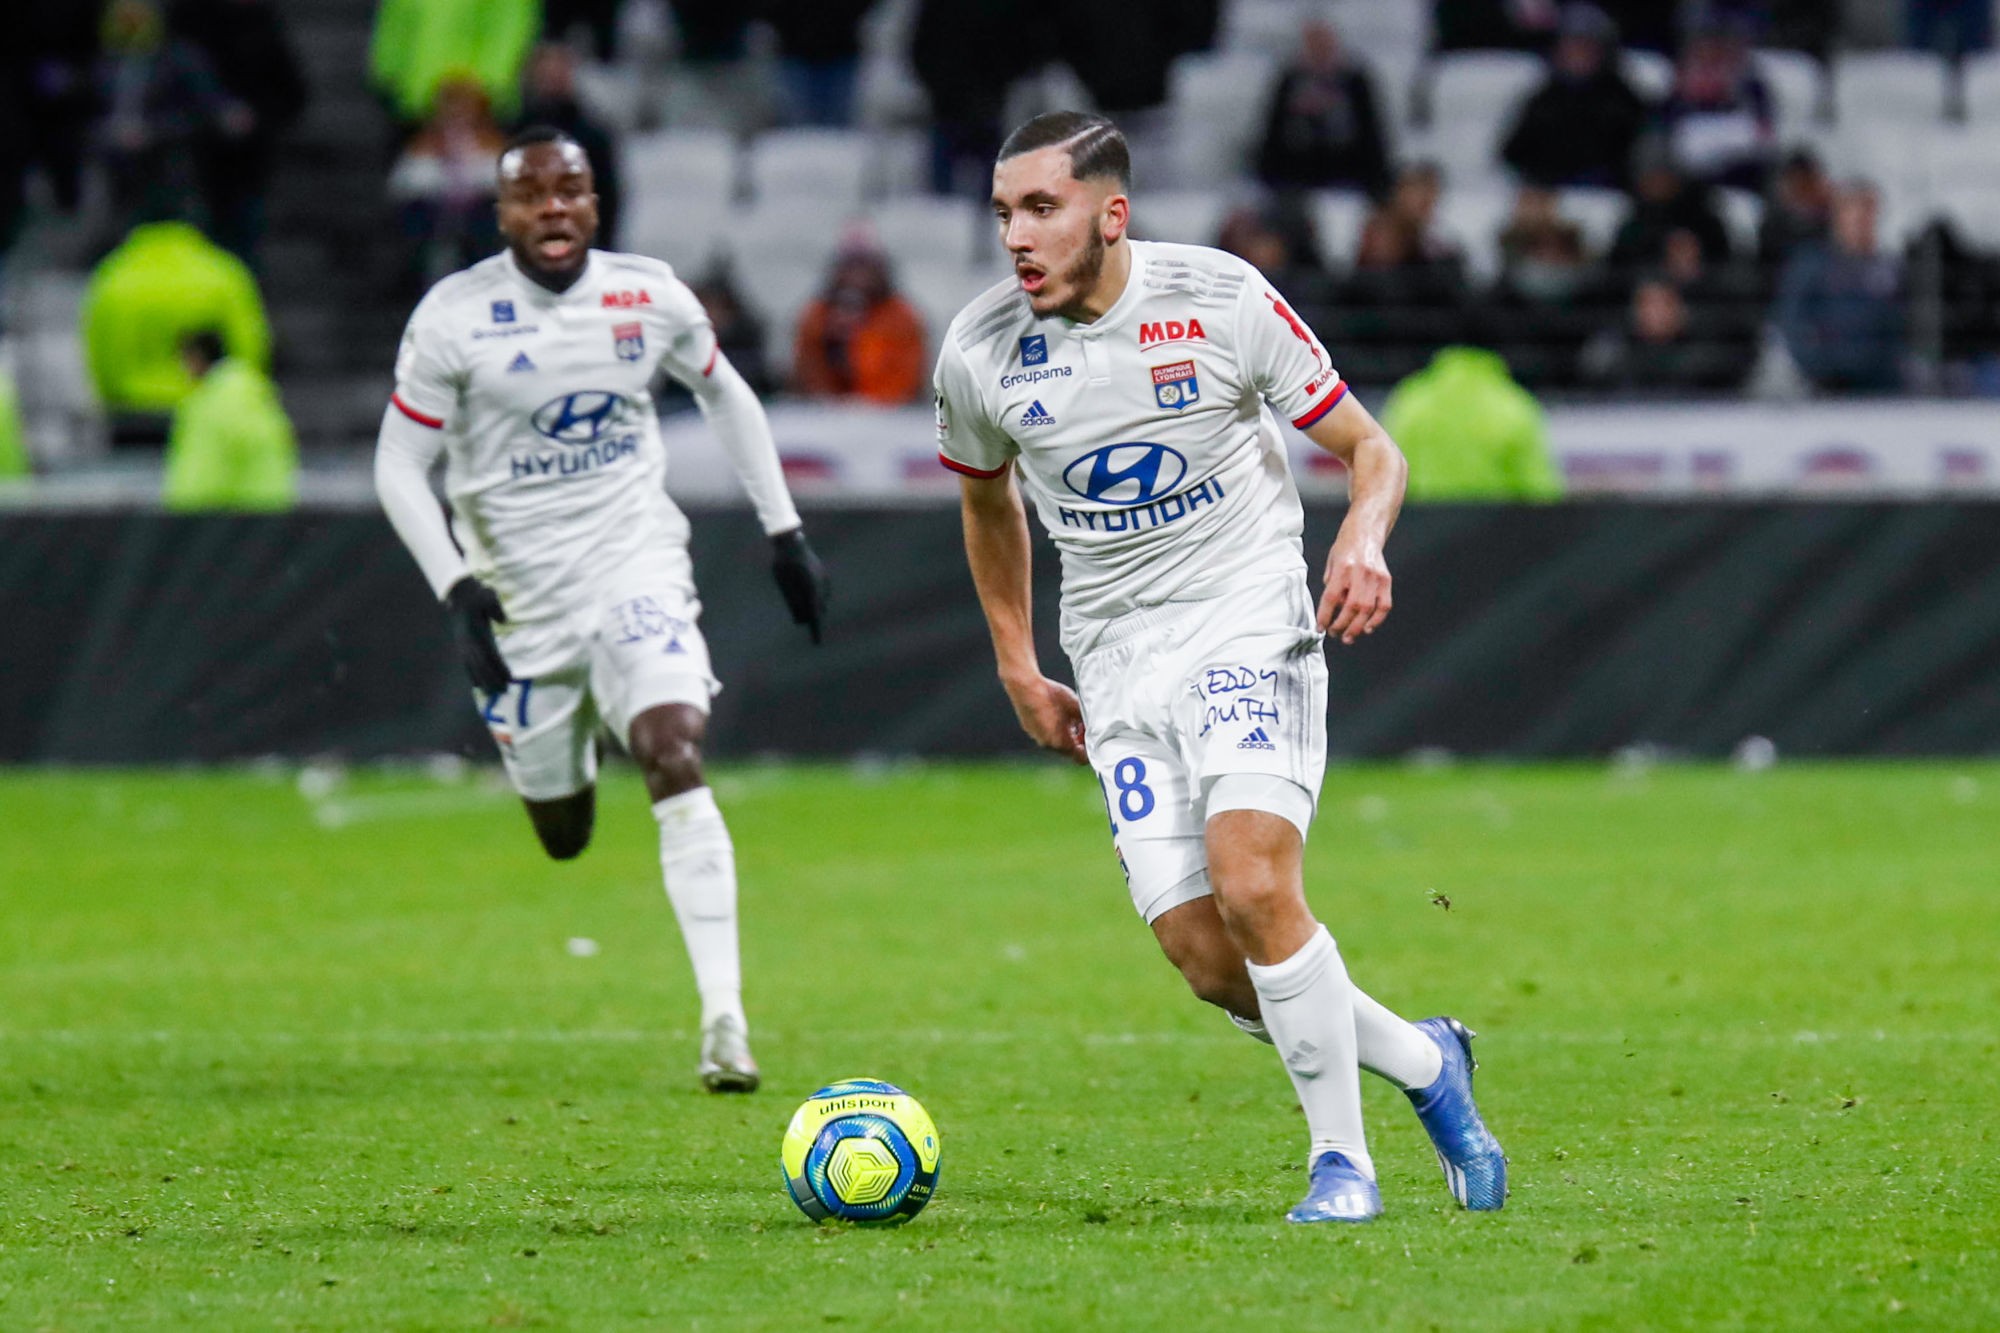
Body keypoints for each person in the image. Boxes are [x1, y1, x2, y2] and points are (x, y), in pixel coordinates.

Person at [934, 111, 1506, 1224]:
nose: (1015, 235)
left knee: (1252, 883)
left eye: (1040, 208)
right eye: (1003, 211)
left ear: (1110, 215)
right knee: (1204, 956)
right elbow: (983, 497)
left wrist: (1359, 538)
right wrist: (1016, 658)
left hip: (1244, 618)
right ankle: (1427, 1061)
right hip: (1112, 660)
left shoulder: (1218, 300)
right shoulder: (978, 349)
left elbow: (1370, 450)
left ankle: (1340, 1164)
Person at [374, 128, 832, 1092]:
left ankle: (725, 1022)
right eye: (530, 194)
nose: (552, 208)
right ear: (500, 215)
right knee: (564, 831)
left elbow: (730, 397)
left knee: (673, 747)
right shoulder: (455, 318)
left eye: (570, 190)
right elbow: (398, 465)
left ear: (595, 202)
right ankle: (570, 732)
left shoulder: (647, 293)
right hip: (520, 602)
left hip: (634, 567)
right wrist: (456, 587)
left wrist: (783, 531)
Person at [81, 215, 271, 420]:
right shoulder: (222, 273)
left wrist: (110, 397)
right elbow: (249, 345)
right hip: (207, 411)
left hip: (132, 413)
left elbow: (98, 349)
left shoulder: (114, 275)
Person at [167, 0, 309, 266]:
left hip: (249, 162)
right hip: (195, 161)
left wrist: (254, 118)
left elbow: (292, 95)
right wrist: (213, 115)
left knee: (243, 239)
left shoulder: (263, 28)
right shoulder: (190, 24)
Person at [1499, 4, 1651, 190]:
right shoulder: (1544, 101)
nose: (1577, 56)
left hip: (1609, 197)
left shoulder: (1623, 102)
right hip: (1552, 197)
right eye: (1571, 48)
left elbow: (1639, 160)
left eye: (1586, 48)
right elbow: (1513, 153)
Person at [1774, 181, 1906, 393]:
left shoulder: (1890, 267)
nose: (1861, 221)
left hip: (1882, 385)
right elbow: (1791, 322)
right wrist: (1818, 368)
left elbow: (1901, 323)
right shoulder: (1812, 265)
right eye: (1854, 213)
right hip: (1829, 387)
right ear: (1838, 216)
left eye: (1867, 213)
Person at [1382, 346, 1562, 499]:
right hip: (1496, 535)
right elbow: (1542, 495)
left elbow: (1384, 480)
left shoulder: (1410, 401)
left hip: (1421, 535)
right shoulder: (1514, 406)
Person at [390, 77, 508, 292]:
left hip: (478, 218)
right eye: (451, 107)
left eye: (465, 107)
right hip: (435, 218)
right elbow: (402, 185)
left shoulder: (493, 141)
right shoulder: (424, 143)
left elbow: (504, 183)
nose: (458, 114)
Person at [1253, 18, 1391, 196]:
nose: (1319, 51)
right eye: (1313, 45)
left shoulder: (1356, 82)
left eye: (1325, 45)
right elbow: (1272, 132)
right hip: (1295, 173)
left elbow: (1372, 133)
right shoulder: (1289, 82)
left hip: (1348, 172)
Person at [162, 329, 298, 510]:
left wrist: (186, 511)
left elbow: (204, 463)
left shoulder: (213, 401)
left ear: (196, 357)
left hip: (222, 516)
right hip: (260, 510)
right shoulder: (249, 393)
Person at [791, 236, 928, 405]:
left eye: (865, 266)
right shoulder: (817, 315)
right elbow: (807, 377)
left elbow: (907, 379)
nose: (857, 275)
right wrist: (830, 346)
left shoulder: (902, 317)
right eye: (850, 266)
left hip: (890, 416)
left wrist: (859, 346)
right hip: (825, 417)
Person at [518, 43, 620, 250]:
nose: (552, 79)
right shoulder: (515, 130)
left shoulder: (592, 134)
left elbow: (608, 194)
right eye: (546, 72)